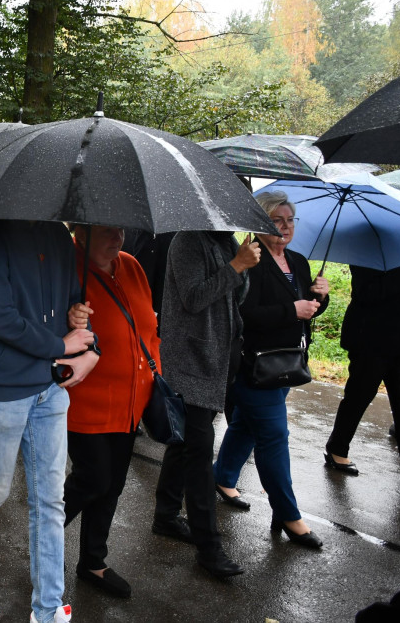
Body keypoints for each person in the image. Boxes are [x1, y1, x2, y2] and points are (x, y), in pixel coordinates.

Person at [0, 220, 99, 623]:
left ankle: (47, 609)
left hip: (49, 386)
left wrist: (80, 319)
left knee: (50, 498)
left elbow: (72, 307)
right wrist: (61, 344)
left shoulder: (60, 236)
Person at [212, 191, 329, 548]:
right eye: (276, 220)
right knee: (274, 436)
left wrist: (320, 299)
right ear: (260, 222)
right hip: (253, 365)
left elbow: (305, 313)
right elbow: (241, 316)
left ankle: (222, 476)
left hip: (288, 364)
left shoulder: (298, 261)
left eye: (290, 220)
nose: (285, 227)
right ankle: (288, 514)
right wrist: (291, 310)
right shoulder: (250, 261)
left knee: (248, 426)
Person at [152, 229, 259, 578]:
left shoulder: (227, 242)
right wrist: (236, 265)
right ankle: (209, 547)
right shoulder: (187, 242)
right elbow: (194, 298)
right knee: (200, 452)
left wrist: (241, 267)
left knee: (186, 443)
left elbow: (235, 297)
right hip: (188, 358)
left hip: (217, 359)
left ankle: (165, 516)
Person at [63, 225, 160, 599]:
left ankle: (93, 561)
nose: (117, 237)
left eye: (120, 229)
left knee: (113, 484)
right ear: (81, 232)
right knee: (94, 479)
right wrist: (70, 320)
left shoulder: (131, 265)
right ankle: (44, 538)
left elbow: (148, 327)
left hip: (131, 401)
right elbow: (46, 329)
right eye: (106, 230)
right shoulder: (65, 267)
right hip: (84, 402)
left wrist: (155, 376)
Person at [324, 261, 400, 490]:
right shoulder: (369, 248)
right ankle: (337, 448)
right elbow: (366, 293)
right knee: (359, 397)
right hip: (370, 340)